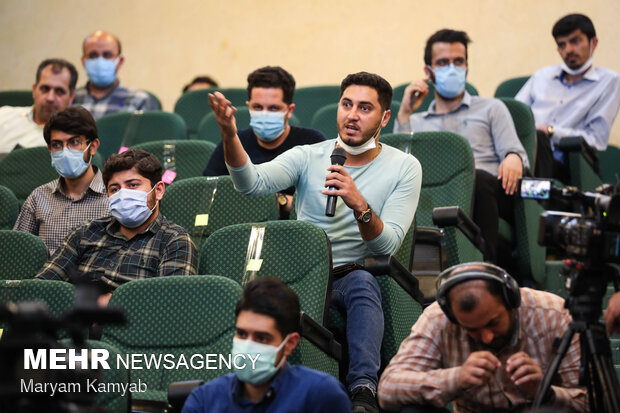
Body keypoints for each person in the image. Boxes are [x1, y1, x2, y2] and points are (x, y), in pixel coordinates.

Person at [208, 71, 422, 413]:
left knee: (363, 284)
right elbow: (251, 182)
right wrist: (230, 133)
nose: (352, 115)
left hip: (350, 273)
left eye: (365, 108)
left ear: (384, 117)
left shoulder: (404, 166)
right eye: (346, 104)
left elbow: (387, 246)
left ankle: (364, 389)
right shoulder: (308, 155)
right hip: (301, 272)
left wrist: (359, 204)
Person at [394, 29, 529, 265]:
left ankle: (484, 271)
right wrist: (405, 114)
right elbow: (399, 166)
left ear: (467, 66)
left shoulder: (491, 108)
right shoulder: (417, 122)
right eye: (443, 63)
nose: (453, 68)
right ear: (429, 71)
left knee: (478, 179)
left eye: (459, 61)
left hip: (489, 190)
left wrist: (513, 156)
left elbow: (516, 154)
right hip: (438, 194)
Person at [378, 262, 587, 412]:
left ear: (511, 302)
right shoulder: (438, 319)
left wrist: (545, 391)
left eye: (493, 323)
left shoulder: (554, 314)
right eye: (471, 329)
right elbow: (388, 388)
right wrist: (456, 378)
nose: (486, 338)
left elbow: (594, 402)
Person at [36, 149, 197, 306]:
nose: (123, 194)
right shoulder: (85, 232)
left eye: (133, 185)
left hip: (133, 329)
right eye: (115, 189)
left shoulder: (175, 240)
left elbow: (173, 305)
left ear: (159, 190)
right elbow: (41, 287)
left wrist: (115, 303)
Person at [183, 276, 351, 412]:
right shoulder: (204, 400)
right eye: (242, 334)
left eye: (262, 338)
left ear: (289, 343)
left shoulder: (321, 395)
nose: (247, 346)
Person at [203, 66, 326, 219]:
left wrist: (279, 202)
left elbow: (322, 202)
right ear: (249, 107)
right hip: (240, 227)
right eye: (258, 107)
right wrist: (229, 134)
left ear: (290, 110)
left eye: (274, 108)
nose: (265, 114)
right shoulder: (232, 141)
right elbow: (209, 196)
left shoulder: (311, 142)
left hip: (293, 231)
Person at [516, 14, 620, 180]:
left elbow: (596, 140)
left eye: (575, 41)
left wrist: (551, 131)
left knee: (539, 138)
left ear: (593, 43)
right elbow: (514, 113)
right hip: (523, 151)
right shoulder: (543, 76)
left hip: (565, 163)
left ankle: (534, 204)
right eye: (562, 45)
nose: (568, 50)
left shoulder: (609, 81)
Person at [13, 107, 109, 255]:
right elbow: (17, 254)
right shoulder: (37, 198)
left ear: (93, 146)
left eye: (74, 142)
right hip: (44, 277)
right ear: (50, 150)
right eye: (57, 145)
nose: (65, 151)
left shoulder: (114, 196)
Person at [73, 30, 158, 119]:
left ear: (120, 61)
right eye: (93, 55)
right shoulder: (71, 99)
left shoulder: (139, 100)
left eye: (107, 55)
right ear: (83, 61)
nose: (100, 62)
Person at [0, 58, 77, 155]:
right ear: (34, 90)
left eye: (59, 91)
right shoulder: (3, 115)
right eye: (45, 89)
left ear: (71, 97)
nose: (50, 98)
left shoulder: (74, 140)